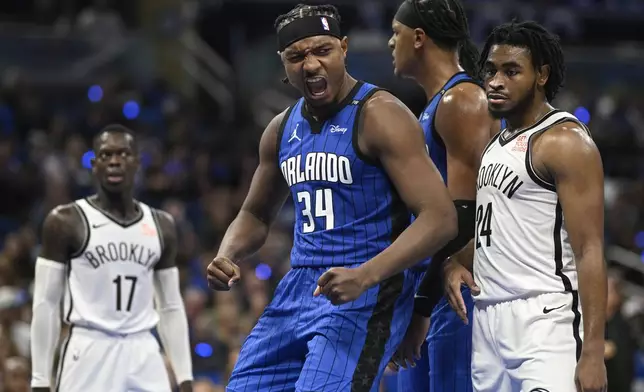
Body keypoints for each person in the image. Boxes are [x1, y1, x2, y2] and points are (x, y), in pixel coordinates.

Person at [206, 4, 458, 392]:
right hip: (300, 286)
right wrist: (227, 253)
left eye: (322, 50)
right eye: (297, 56)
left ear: (343, 47)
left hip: (369, 285)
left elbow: (440, 217)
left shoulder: (381, 114)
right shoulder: (279, 129)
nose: (310, 65)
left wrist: (366, 275)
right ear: (283, 63)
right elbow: (255, 215)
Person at [443, 20, 608, 391]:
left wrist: (594, 351)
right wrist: (456, 264)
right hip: (488, 320)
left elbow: (590, 249)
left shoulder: (564, 141)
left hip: (545, 320)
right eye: (491, 70)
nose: (496, 81)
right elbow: (497, 234)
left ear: (541, 75)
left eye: (511, 71)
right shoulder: (497, 143)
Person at [30, 125, 193, 392]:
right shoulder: (65, 221)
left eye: (123, 154)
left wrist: (184, 376)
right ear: (94, 165)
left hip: (143, 349)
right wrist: (40, 379)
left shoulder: (162, 224)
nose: (115, 161)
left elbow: (170, 306)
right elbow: (46, 303)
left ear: (137, 163)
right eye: (106, 155)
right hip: (89, 347)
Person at [388, 0, 496, 390]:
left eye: (395, 34)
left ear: (419, 39)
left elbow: (464, 217)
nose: (389, 43)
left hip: (452, 290)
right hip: (427, 286)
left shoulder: (461, 101)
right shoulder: (434, 106)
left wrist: (422, 308)